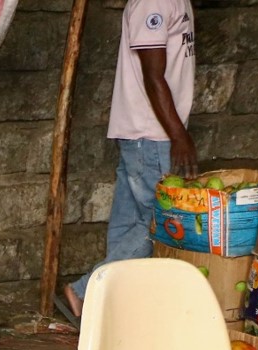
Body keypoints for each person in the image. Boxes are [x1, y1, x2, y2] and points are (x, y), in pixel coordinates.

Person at [61, 0, 196, 323]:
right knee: (162, 221)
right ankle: (83, 291)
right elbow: (153, 76)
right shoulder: (155, 1)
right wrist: (179, 135)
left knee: (129, 223)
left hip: (146, 133)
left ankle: (108, 307)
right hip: (152, 134)